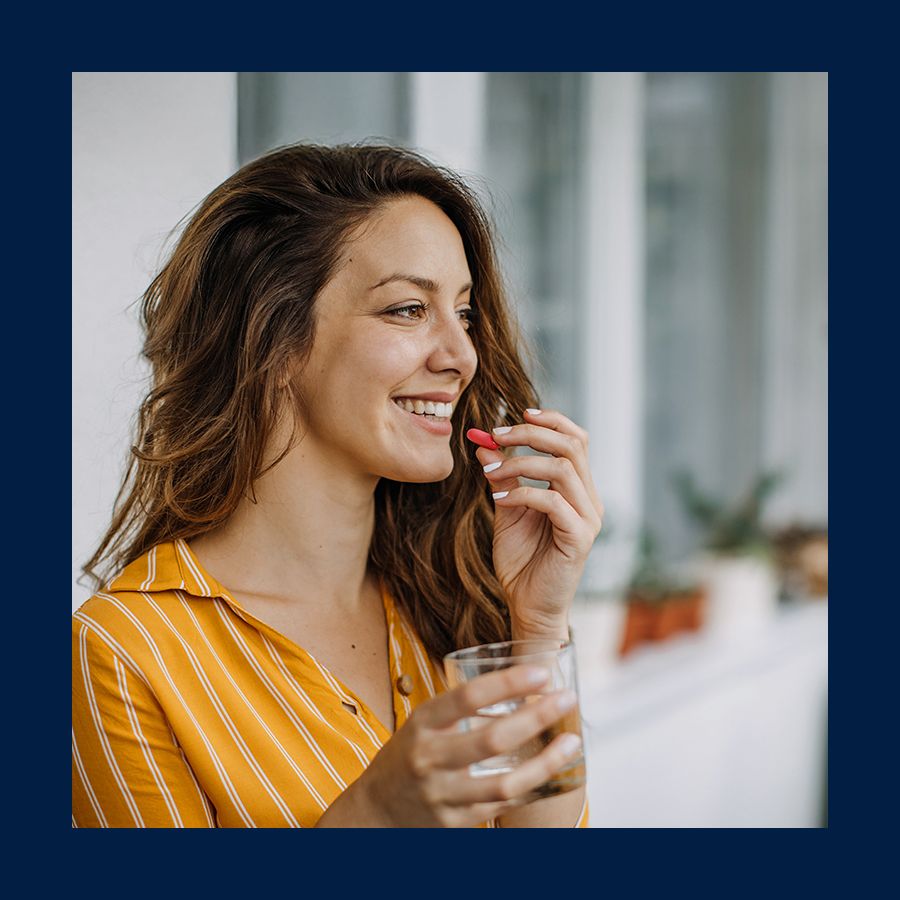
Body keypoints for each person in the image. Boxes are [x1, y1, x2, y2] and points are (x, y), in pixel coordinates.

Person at [72, 142, 604, 828]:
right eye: (409, 309)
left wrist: (538, 627)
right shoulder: (123, 654)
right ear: (274, 342)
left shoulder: (446, 604)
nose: (463, 355)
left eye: (465, 314)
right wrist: (376, 816)